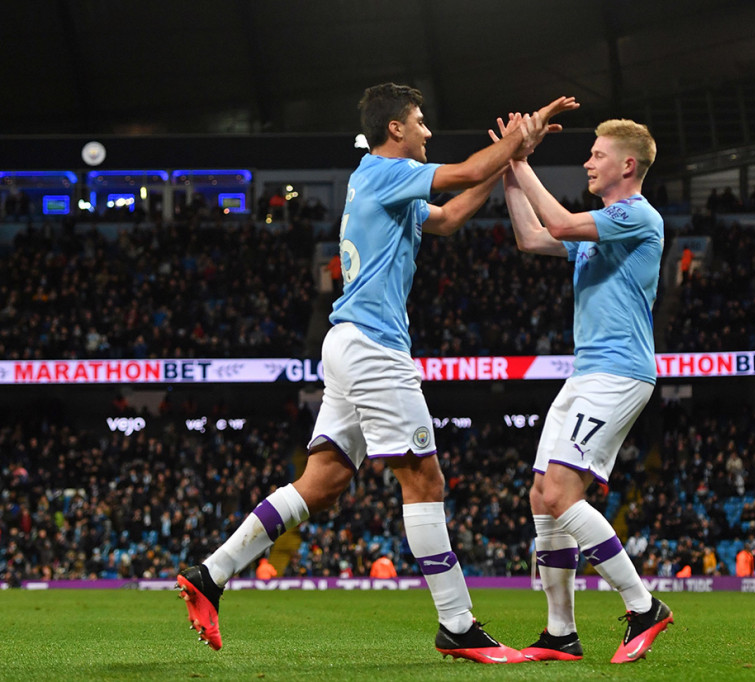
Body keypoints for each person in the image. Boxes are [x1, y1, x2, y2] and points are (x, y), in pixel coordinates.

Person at [175, 82, 578, 662]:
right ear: (396, 129)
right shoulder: (383, 173)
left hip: (347, 345)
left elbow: (454, 213)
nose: (426, 132)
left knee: (324, 483)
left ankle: (210, 574)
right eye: (420, 122)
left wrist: (511, 158)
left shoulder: (388, 185)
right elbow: (464, 173)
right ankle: (457, 624)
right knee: (425, 481)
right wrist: (522, 134)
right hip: (374, 347)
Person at [494, 117, 672, 663]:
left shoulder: (636, 215)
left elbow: (564, 224)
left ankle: (643, 607)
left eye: (597, 155)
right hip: (587, 372)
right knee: (540, 497)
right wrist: (507, 168)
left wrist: (524, 161)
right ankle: (559, 634)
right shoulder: (603, 228)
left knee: (562, 495)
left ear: (628, 165)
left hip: (619, 373)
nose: (588, 163)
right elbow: (532, 237)